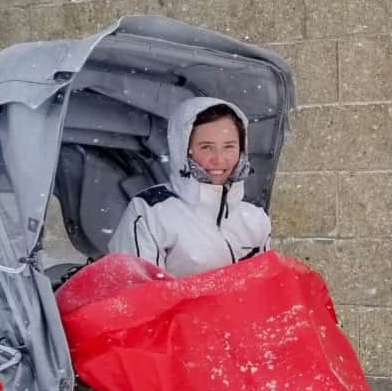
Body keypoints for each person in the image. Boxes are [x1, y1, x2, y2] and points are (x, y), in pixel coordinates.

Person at [108, 96, 270, 277]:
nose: (218, 159)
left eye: (229, 146)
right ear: (183, 150)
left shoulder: (254, 219)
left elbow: (263, 291)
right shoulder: (149, 212)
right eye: (206, 147)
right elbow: (137, 295)